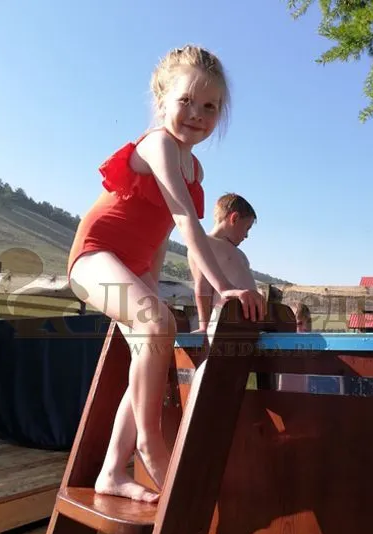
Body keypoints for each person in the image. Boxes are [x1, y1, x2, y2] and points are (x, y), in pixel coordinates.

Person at [67, 45, 265, 503]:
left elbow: (159, 235)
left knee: (149, 351)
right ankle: (150, 445)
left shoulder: (195, 168)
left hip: (130, 269)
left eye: (210, 106)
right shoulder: (157, 144)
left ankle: (112, 473)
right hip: (93, 257)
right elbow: (184, 220)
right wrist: (225, 287)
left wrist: (150, 286)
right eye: (186, 101)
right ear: (161, 101)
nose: (197, 114)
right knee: (158, 324)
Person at [188, 192, 257, 332]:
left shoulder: (241, 255)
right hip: (223, 322)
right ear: (234, 218)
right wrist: (205, 326)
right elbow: (202, 287)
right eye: (247, 228)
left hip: (248, 322)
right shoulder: (204, 244)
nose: (246, 236)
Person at [278, 302, 312, 392]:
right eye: (299, 323)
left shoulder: (309, 347)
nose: (305, 327)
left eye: (308, 322)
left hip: (302, 395)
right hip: (284, 395)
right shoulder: (283, 347)